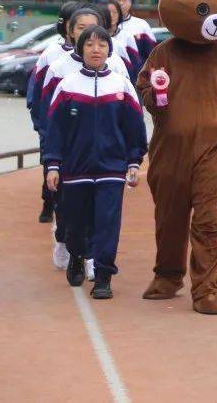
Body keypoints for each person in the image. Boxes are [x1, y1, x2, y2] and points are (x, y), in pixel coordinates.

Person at [43, 25, 147, 299]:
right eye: (89, 44)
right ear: (81, 49)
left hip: (112, 169)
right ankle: (77, 254)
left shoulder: (121, 85)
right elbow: (55, 130)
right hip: (75, 170)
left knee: (107, 223)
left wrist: (134, 161)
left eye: (102, 44)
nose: (96, 49)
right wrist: (53, 164)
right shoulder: (67, 86)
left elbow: (134, 128)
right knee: (75, 223)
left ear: (109, 50)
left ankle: (103, 275)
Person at [28, 0, 80, 225]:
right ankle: (49, 202)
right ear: (66, 25)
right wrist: (43, 126)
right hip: (53, 124)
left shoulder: (98, 52)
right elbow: (36, 93)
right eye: (77, 23)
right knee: (52, 165)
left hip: (81, 126)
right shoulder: (51, 54)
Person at [110, 0, 156, 66]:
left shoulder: (142, 25)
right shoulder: (102, 26)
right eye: (117, 0)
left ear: (130, 2)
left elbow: (153, 55)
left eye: (124, 0)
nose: (120, 3)